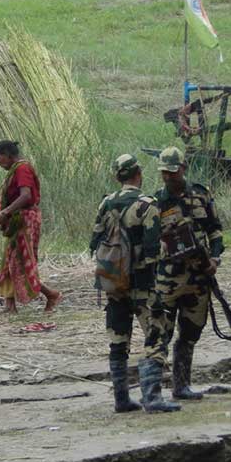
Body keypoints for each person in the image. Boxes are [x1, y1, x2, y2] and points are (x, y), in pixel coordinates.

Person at [90, 154, 180, 413]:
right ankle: (152, 398)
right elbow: (154, 249)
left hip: (114, 281)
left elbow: (95, 240)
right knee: (155, 335)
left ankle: (121, 399)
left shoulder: (106, 203)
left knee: (118, 339)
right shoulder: (147, 203)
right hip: (142, 283)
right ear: (138, 173)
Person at [153, 146, 224, 400]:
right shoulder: (156, 201)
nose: (168, 177)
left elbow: (215, 230)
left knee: (191, 332)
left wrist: (215, 258)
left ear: (183, 168)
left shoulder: (201, 195)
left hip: (198, 277)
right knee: (160, 333)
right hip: (167, 279)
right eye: (164, 173)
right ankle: (152, 392)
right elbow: (148, 241)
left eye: (172, 172)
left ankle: (181, 386)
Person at [0, 140, 61, 315]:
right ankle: (10, 306)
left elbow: (26, 195)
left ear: (8, 155)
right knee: (10, 262)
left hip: (25, 220)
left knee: (21, 263)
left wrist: (6, 212)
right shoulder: (16, 170)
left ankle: (51, 295)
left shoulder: (22, 169)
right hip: (17, 220)